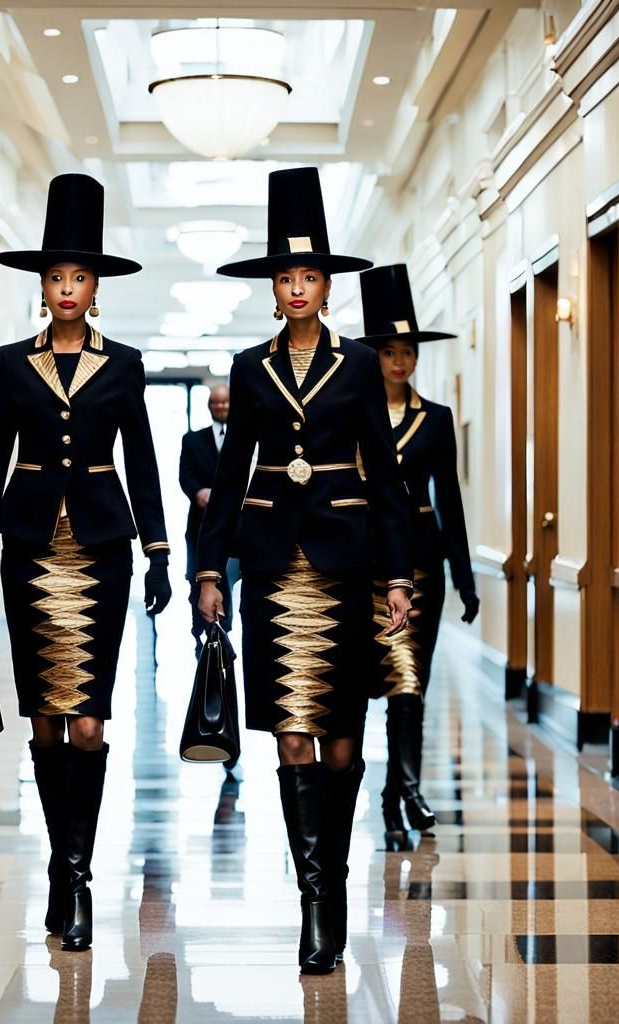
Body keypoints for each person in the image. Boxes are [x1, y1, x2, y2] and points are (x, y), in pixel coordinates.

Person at [0, 173, 172, 953]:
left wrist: (158, 551)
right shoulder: (14, 363)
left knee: (88, 716)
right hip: (32, 554)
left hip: (103, 555)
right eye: (56, 276)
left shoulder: (126, 363)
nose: (68, 288)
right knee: (45, 715)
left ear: (96, 285)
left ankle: (77, 873)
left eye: (79, 276)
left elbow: (141, 459)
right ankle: (60, 863)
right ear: (41, 286)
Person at [196, 167, 413, 974]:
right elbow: (235, 461)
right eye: (285, 277)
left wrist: (397, 578)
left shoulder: (358, 366)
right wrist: (210, 568)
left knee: (344, 748)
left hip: (345, 566)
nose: (296, 288)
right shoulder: (251, 369)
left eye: (309, 276)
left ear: (328, 285)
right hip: (273, 570)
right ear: (273, 286)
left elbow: (386, 476)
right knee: (291, 743)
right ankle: (314, 899)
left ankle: (336, 880)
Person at [355, 264, 479, 835]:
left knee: (411, 683)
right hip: (366, 563)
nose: (400, 361)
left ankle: (401, 792)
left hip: (422, 566)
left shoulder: (437, 419)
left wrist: (464, 575)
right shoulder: (356, 416)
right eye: (389, 351)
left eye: (408, 351)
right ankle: (399, 794)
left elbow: (448, 497)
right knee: (374, 685)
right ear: (374, 357)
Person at [179, 384, 240, 653]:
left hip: (237, 523)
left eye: (225, 403)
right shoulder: (192, 440)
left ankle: (226, 627)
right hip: (201, 524)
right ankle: (200, 629)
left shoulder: (243, 439)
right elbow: (185, 475)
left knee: (231, 576)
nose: (221, 407)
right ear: (209, 406)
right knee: (199, 576)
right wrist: (198, 492)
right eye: (216, 403)